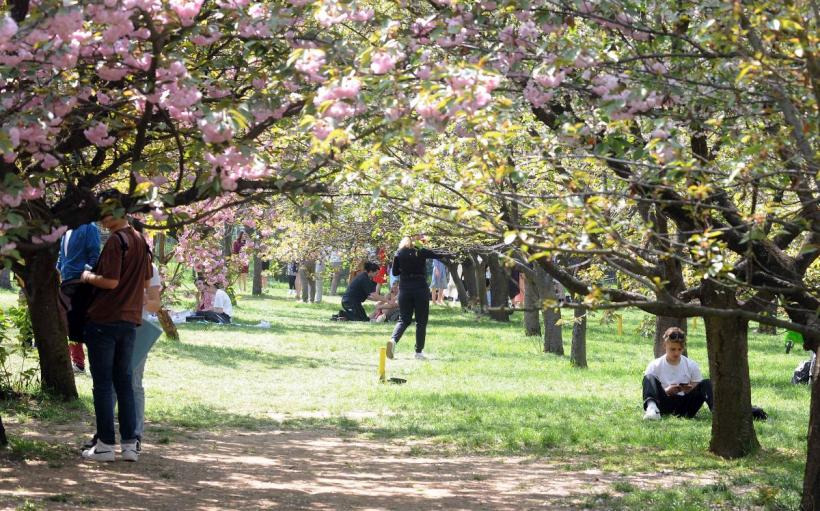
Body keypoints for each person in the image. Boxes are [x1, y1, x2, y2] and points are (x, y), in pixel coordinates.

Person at [80, 198, 152, 462]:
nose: (101, 221)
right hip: (129, 321)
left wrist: (87, 276)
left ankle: (106, 445)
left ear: (116, 213)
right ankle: (131, 445)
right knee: (124, 383)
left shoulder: (115, 241)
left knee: (102, 385)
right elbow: (145, 281)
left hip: (104, 320)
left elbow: (110, 282)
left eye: (104, 215)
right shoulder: (141, 240)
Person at [386, 236, 450, 360]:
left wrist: (404, 267)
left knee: (404, 320)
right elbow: (439, 254)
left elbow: (394, 273)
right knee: (421, 321)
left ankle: (393, 340)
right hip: (420, 289)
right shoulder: (421, 251)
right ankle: (418, 352)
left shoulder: (399, 253)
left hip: (405, 289)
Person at [57, 222, 100, 374]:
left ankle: (92, 362)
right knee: (67, 323)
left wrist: (85, 275)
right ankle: (77, 362)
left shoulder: (90, 227)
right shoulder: (66, 228)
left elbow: (94, 254)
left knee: (84, 323)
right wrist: (58, 270)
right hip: (66, 281)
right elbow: (62, 255)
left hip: (81, 282)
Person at [642, 327, 713, 420]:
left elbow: (697, 389)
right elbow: (650, 388)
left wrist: (687, 389)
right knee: (649, 377)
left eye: (679, 349)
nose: (676, 353)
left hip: (686, 407)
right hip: (663, 405)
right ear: (665, 345)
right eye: (672, 349)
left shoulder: (691, 365)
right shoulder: (655, 365)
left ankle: (718, 411)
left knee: (707, 383)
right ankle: (652, 410)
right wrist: (667, 391)